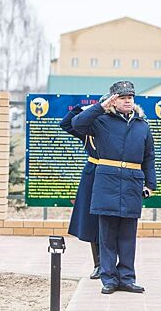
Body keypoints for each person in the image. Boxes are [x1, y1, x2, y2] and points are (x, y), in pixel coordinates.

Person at [72, 81, 156, 295]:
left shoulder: (142, 125)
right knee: (107, 236)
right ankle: (108, 279)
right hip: (106, 182)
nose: (127, 100)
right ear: (113, 100)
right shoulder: (100, 120)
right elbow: (77, 123)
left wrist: (150, 184)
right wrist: (101, 107)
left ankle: (127, 278)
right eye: (122, 97)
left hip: (131, 183)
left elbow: (149, 157)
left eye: (130, 97)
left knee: (128, 236)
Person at [59, 96, 107, 280]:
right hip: (91, 176)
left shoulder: (112, 127)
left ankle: (109, 263)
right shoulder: (86, 130)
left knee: (108, 221)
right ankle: (98, 264)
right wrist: (84, 108)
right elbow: (65, 124)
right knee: (91, 220)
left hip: (109, 174)